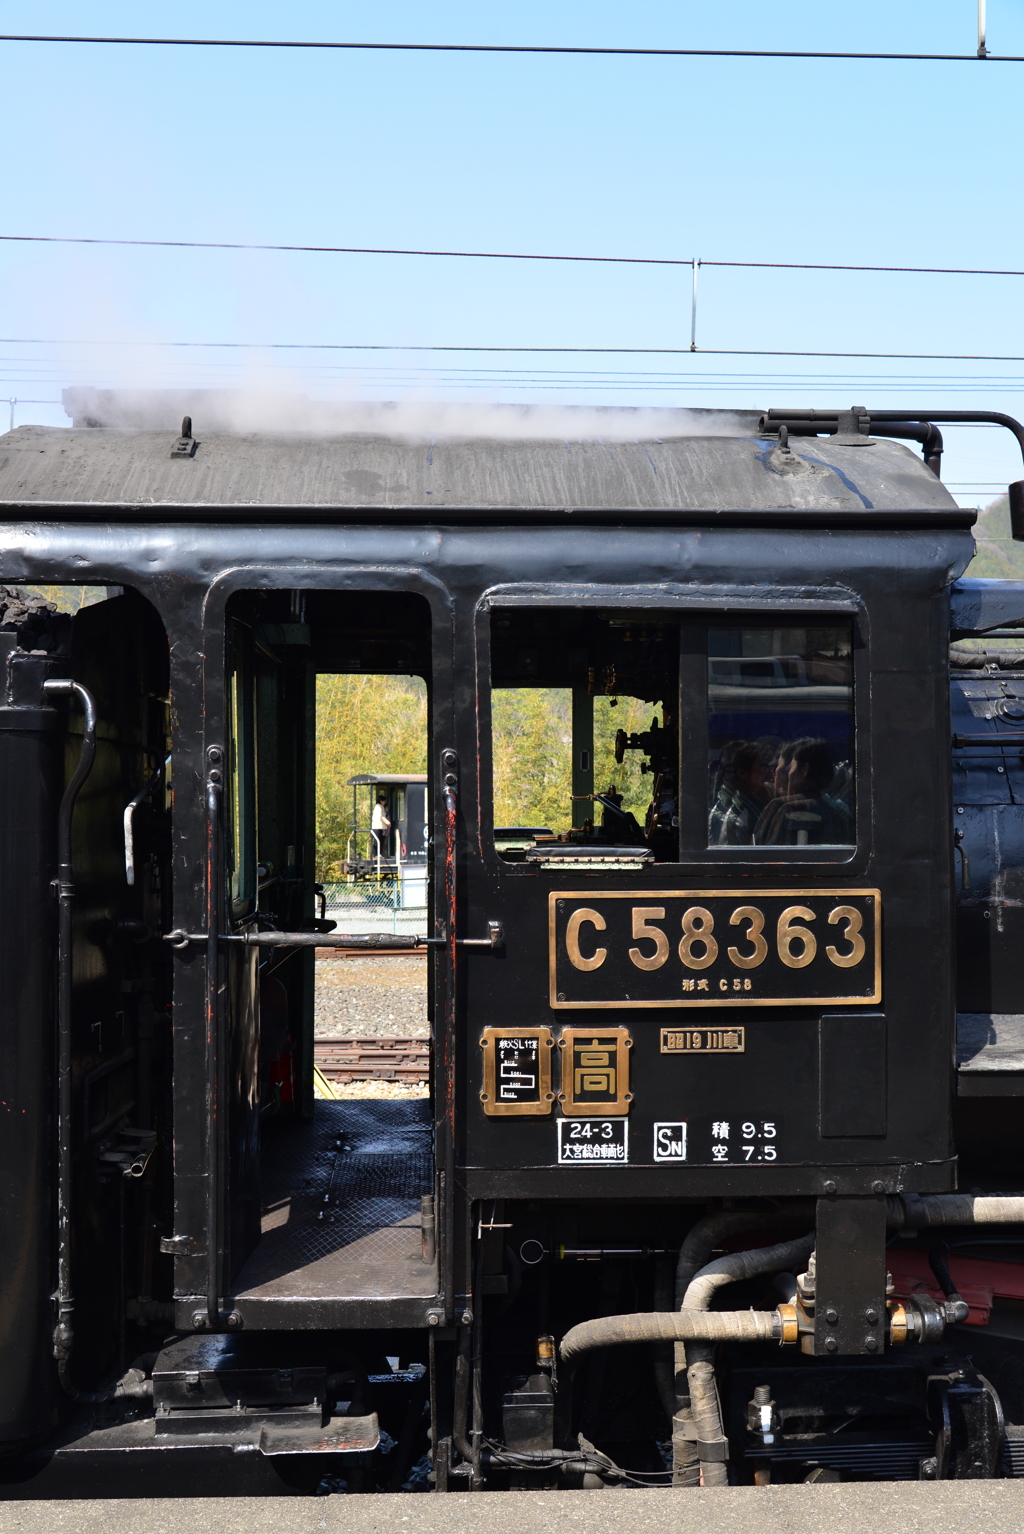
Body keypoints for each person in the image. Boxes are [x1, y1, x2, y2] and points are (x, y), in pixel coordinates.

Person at [754, 738, 852, 846]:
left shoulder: (782, 807)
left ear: (804, 770)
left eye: (792, 766)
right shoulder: (836, 813)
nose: (788, 774)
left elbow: (764, 852)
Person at [708, 741, 771, 845]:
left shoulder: (754, 802)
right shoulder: (736, 818)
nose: (766, 770)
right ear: (742, 773)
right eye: (761, 765)